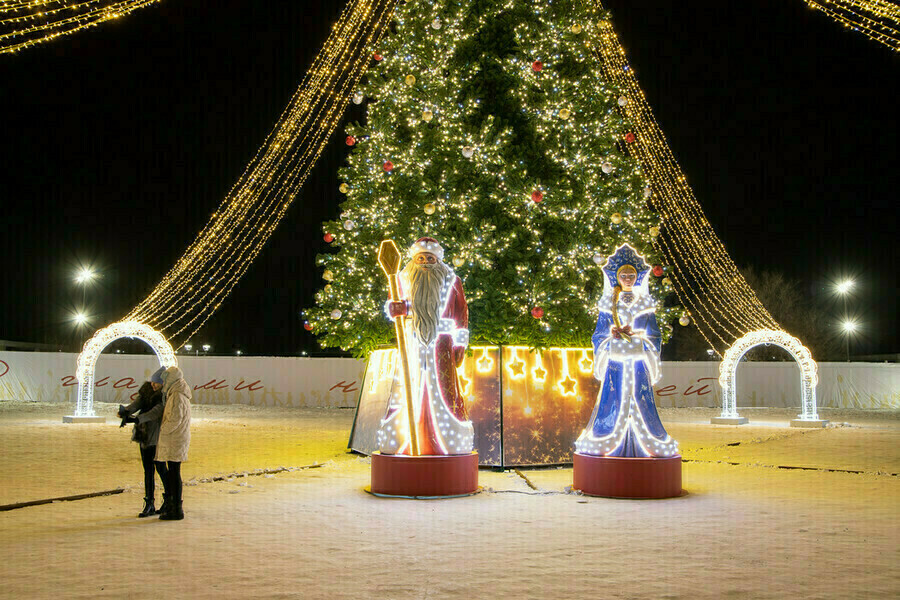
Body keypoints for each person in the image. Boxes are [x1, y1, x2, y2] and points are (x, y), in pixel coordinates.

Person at [575, 243, 679, 457]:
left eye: (632, 275)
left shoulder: (645, 303)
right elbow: (599, 335)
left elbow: (654, 335)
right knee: (613, 398)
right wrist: (611, 338)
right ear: (617, 277)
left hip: (639, 363)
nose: (628, 279)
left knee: (641, 399)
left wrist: (641, 340)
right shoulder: (608, 303)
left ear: (638, 277)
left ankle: (648, 443)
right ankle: (606, 437)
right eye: (624, 275)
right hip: (616, 363)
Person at [377, 237, 474, 455]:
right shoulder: (402, 278)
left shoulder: (452, 280)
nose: (425, 262)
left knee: (445, 388)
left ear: (438, 259)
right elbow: (394, 305)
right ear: (413, 259)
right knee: (407, 386)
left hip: (442, 344)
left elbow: (462, 313)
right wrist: (394, 309)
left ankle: (449, 438)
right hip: (412, 342)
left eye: (429, 258)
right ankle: (402, 439)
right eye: (420, 258)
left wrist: (460, 344)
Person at [116, 367, 168, 517]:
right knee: (148, 471)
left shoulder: (164, 397)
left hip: (156, 437)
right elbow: (135, 405)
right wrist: (125, 412)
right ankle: (149, 502)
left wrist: (138, 418)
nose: (153, 385)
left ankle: (168, 498)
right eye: (152, 382)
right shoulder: (146, 392)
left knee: (161, 468)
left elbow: (156, 412)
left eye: (157, 383)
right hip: (144, 436)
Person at [155, 366, 191, 520]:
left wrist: (162, 430)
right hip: (175, 438)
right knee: (173, 472)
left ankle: (176, 509)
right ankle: (173, 505)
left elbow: (175, 419)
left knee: (174, 473)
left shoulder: (177, 395)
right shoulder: (175, 393)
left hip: (174, 439)